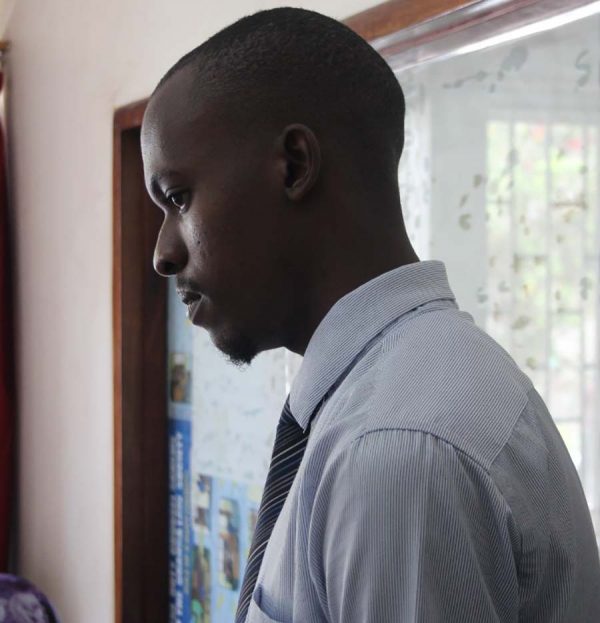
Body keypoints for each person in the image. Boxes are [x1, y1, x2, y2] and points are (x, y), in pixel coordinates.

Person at [140, 7, 600, 622]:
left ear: (294, 165)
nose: (162, 254)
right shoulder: (419, 387)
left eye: (178, 198)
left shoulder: (394, 449)